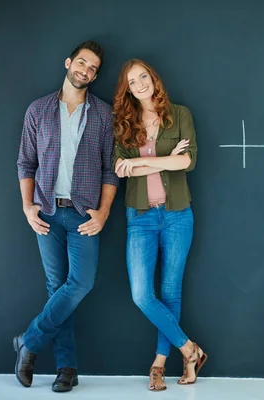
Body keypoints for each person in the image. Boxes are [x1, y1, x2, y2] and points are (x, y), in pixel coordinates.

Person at [14, 40, 119, 392]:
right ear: (68, 62)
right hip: (45, 211)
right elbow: (26, 163)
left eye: (93, 69)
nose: (86, 71)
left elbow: (109, 170)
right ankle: (67, 369)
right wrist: (27, 206)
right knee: (57, 289)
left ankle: (29, 342)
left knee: (80, 284)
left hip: (82, 215)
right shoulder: (38, 110)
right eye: (82, 63)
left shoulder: (103, 114)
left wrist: (103, 213)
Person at [112, 58, 207, 391]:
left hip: (178, 213)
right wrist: (163, 161)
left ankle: (159, 363)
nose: (140, 84)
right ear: (127, 90)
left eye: (143, 77)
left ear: (153, 78)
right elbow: (120, 169)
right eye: (132, 82)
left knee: (170, 293)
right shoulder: (124, 123)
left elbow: (187, 160)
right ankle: (189, 349)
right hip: (140, 216)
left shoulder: (179, 114)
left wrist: (140, 162)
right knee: (142, 294)